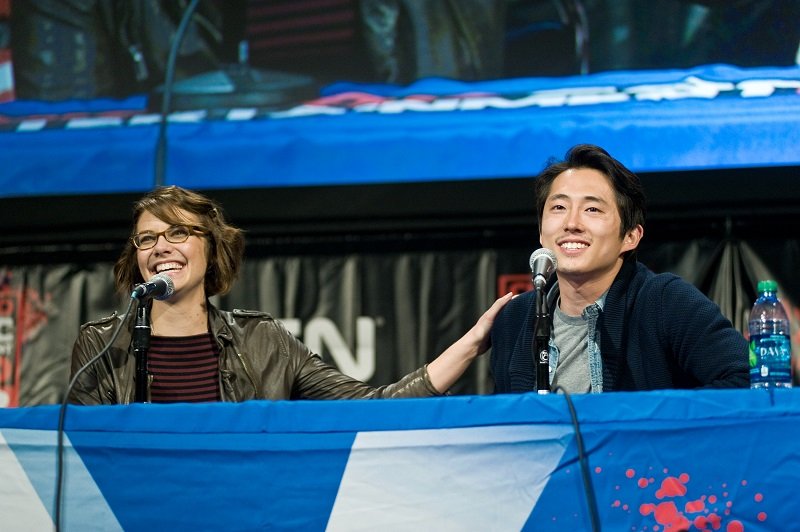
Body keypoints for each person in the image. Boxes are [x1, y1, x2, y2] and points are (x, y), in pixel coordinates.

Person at [69, 185, 512, 405]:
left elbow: (373, 407)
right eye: (146, 239)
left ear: (211, 247)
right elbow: (84, 455)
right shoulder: (101, 344)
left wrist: (472, 343)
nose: (160, 247)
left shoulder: (262, 341)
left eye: (178, 233)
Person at [490, 144, 749, 394]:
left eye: (592, 209)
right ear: (541, 231)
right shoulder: (514, 319)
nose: (571, 223)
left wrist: (649, 427)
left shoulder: (664, 301)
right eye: (559, 207)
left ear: (630, 237)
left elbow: (746, 379)